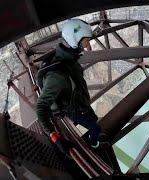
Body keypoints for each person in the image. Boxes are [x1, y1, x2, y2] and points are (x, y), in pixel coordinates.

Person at [36, 19, 104, 156]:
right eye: (86, 42)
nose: (88, 47)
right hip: (73, 109)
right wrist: (54, 136)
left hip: (79, 102)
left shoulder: (67, 58)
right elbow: (41, 107)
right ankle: (94, 146)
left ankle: (92, 135)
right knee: (95, 127)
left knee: (94, 119)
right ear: (75, 40)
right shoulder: (57, 75)